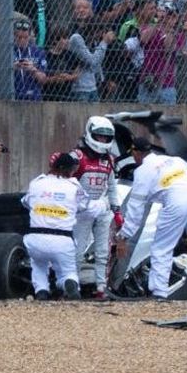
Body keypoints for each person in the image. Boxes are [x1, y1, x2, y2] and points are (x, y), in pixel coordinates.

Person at [115, 136, 187, 300]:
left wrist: (124, 236)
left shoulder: (142, 171)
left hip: (175, 200)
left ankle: (159, 293)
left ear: (136, 153)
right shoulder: (175, 160)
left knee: (161, 248)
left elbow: (135, 209)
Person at [22, 151, 92, 300]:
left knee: (38, 265)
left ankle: (41, 291)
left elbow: (26, 203)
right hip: (62, 239)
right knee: (68, 271)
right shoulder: (73, 186)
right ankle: (68, 282)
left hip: (35, 237)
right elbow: (85, 205)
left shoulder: (36, 183)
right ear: (70, 169)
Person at [68, 116, 121, 299]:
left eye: (106, 138)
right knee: (77, 249)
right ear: (90, 133)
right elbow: (64, 181)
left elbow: (112, 186)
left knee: (103, 251)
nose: (103, 141)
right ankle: (71, 286)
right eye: (99, 137)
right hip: (81, 210)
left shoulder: (110, 160)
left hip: (102, 208)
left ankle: (101, 287)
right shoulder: (77, 156)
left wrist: (117, 211)